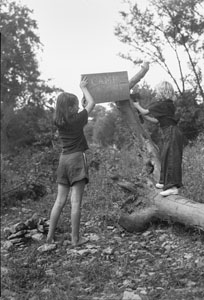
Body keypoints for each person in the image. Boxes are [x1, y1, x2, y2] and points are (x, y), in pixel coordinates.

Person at [46, 76, 95, 246]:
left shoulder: (58, 121)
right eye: (74, 105)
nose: (77, 107)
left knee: (59, 201)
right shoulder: (77, 119)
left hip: (63, 160)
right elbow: (92, 103)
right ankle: (75, 239)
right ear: (70, 107)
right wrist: (83, 88)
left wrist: (79, 106)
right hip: (76, 159)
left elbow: (82, 108)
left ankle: (50, 237)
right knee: (76, 202)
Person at [131, 81, 183, 196]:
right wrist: (144, 115)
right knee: (165, 156)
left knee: (171, 158)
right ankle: (164, 181)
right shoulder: (169, 104)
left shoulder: (161, 104)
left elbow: (144, 111)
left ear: (161, 91)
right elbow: (157, 121)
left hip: (171, 132)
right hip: (170, 132)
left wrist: (136, 105)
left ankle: (173, 187)